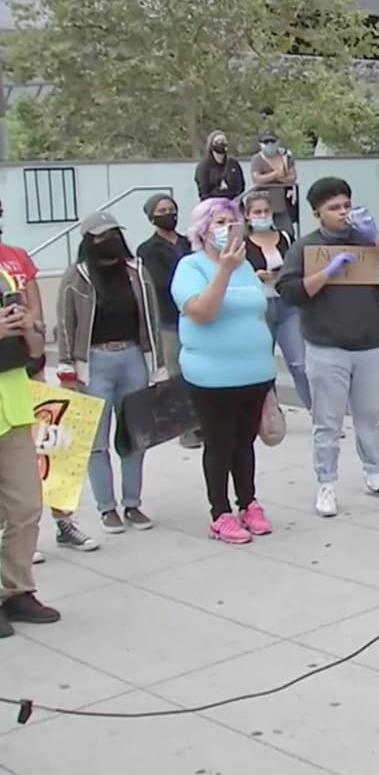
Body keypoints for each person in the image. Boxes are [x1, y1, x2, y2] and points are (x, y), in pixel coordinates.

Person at [277, 177, 379, 517]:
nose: (342, 213)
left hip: (368, 344)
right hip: (327, 346)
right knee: (327, 421)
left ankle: (374, 474)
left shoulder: (365, 241)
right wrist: (327, 272)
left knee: (368, 417)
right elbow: (290, 290)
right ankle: (326, 484)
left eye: (346, 206)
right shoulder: (305, 247)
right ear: (317, 214)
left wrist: (375, 236)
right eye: (333, 208)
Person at [170, 198, 277, 544]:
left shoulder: (245, 266)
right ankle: (220, 512)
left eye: (232, 222)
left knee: (244, 442)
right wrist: (225, 270)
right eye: (218, 222)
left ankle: (248, 501)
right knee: (220, 443)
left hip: (255, 372)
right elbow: (202, 310)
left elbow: (256, 308)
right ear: (202, 230)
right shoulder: (191, 266)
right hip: (212, 376)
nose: (227, 229)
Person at [56, 211, 166, 536]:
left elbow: (153, 319)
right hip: (94, 361)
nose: (110, 242)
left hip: (132, 356)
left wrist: (157, 366)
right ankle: (107, 508)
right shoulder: (77, 276)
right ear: (89, 241)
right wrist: (66, 368)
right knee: (96, 441)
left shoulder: (136, 272)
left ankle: (132, 503)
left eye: (114, 234)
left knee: (134, 437)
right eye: (102, 237)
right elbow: (65, 324)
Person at [0, 205, 99, 556]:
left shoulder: (15, 258)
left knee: (53, 449)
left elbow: (35, 310)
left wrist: (32, 334)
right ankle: (11, 538)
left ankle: (64, 522)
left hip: (29, 367)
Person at [0, 269, 61, 636]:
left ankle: (15, 589)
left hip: (13, 407)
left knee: (25, 506)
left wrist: (27, 328)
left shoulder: (4, 276)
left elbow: (36, 352)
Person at [136, 193, 201, 449]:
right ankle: (186, 430)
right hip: (169, 319)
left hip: (195, 316)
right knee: (176, 374)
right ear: (152, 216)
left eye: (171, 209)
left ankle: (202, 422)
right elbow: (160, 281)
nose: (168, 214)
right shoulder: (147, 249)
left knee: (196, 372)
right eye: (162, 210)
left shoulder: (189, 243)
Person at [243, 190, 310, 409]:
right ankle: (272, 414)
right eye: (257, 212)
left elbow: (298, 265)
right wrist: (255, 276)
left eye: (266, 211)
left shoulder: (285, 237)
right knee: (265, 365)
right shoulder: (242, 244)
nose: (262, 216)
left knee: (300, 363)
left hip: (287, 304)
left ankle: (319, 413)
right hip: (259, 307)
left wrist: (283, 274)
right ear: (247, 216)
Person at [249, 129, 298, 236]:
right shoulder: (257, 159)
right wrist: (275, 174)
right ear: (260, 144)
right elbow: (257, 179)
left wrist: (280, 179)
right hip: (264, 202)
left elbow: (292, 177)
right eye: (266, 142)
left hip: (283, 203)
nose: (270, 145)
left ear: (277, 142)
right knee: (263, 232)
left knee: (288, 232)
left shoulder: (286, 156)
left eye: (272, 142)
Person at [194, 130, 246, 201]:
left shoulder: (233, 164)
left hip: (233, 202)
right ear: (211, 145)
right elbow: (203, 192)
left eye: (224, 141)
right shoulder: (203, 167)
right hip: (213, 204)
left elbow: (241, 186)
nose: (221, 143)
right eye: (218, 141)